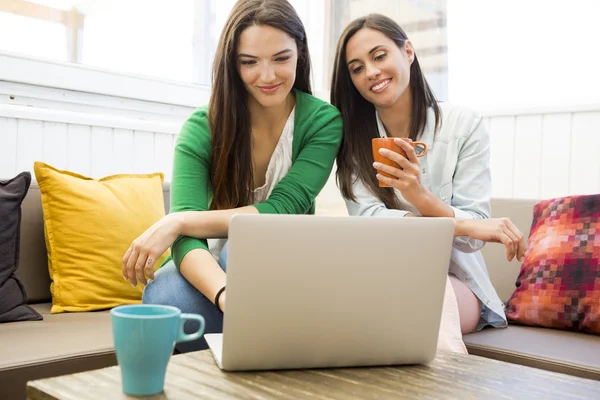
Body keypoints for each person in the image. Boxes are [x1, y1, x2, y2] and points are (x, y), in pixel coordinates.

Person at [121, 0, 343, 352]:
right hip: (214, 272)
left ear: (300, 53)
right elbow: (188, 244)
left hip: (289, 265)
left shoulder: (323, 121)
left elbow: (284, 209)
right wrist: (225, 293)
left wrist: (178, 221)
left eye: (281, 59)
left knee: (242, 247)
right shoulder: (201, 128)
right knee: (165, 293)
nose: (267, 76)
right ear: (231, 64)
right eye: (249, 62)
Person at [330, 14, 526, 336]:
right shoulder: (352, 143)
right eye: (357, 68)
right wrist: (460, 223)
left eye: (379, 56)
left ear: (408, 51)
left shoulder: (464, 126)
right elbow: (370, 221)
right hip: (382, 276)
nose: (372, 72)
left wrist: (420, 197)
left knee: (416, 307)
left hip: (455, 281)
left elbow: (473, 236)